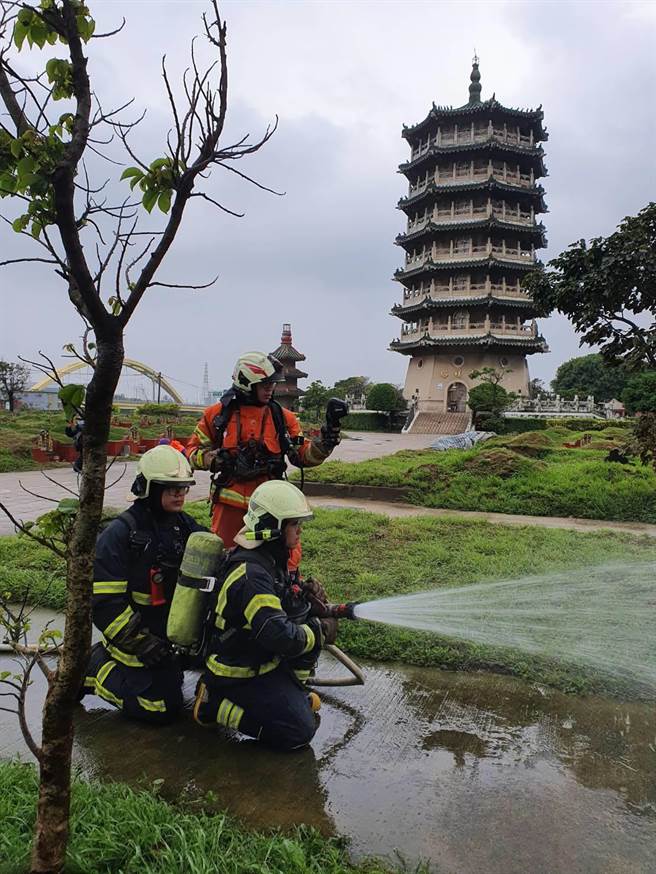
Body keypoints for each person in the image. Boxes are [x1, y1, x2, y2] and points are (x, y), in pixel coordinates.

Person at [193, 480, 338, 750]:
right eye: (294, 524)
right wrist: (318, 630)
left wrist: (305, 599)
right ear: (274, 527)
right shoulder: (252, 575)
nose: (300, 530)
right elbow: (281, 637)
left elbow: (283, 610)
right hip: (236, 673)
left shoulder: (269, 559)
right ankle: (213, 705)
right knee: (297, 731)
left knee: (307, 625)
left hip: (259, 660)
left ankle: (292, 694)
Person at [80, 445, 206, 724]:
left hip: (172, 636)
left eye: (183, 487)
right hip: (138, 640)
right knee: (159, 708)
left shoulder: (183, 526)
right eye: (171, 487)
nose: (180, 494)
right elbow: (104, 603)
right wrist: (142, 643)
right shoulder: (120, 534)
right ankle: (94, 670)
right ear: (148, 488)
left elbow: (215, 556)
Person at [185, 351, 341, 569]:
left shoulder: (283, 418)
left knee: (284, 563)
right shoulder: (217, 415)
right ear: (246, 383)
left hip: (273, 510)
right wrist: (212, 459)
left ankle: (286, 597)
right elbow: (190, 452)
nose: (270, 389)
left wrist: (325, 443)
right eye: (264, 384)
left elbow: (302, 455)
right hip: (229, 507)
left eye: (272, 383)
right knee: (222, 562)